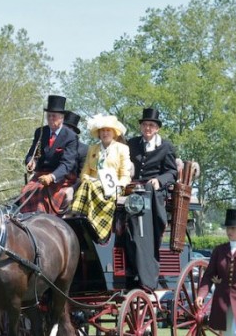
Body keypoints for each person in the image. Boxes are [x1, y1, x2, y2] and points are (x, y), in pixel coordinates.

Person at [125, 107, 178, 290]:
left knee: (144, 200)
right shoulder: (131, 144)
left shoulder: (166, 146)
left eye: (151, 125)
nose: (147, 128)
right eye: (145, 124)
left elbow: (172, 172)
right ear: (141, 126)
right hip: (132, 190)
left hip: (153, 191)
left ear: (157, 129)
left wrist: (159, 181)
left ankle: (147, 274)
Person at [67, 114, 132, 242]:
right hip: (92, 186)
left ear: (114, 133)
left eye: (108, 130)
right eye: (102, 130)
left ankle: (93, 226)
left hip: (113, 189)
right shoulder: (93, 149)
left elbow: (125, 175)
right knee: (87, 184)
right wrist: (89, 179)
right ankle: (77, 219)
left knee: (90, 186)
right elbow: (84, 172)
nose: (105, 133)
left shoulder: (122, 149)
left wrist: (118, 188)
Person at [20, 95, 79, 214]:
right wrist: (31, 163)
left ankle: (44, 221)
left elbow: (67, 164)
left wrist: (52, 177)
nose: (51, 118)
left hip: (61, 177)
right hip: (41, 175)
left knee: (42, 195)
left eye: (54, 116)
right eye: (49, 116)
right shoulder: (41, 132)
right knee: (25, 192)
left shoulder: (71, 137)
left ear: (62, 118)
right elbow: (31, 154)